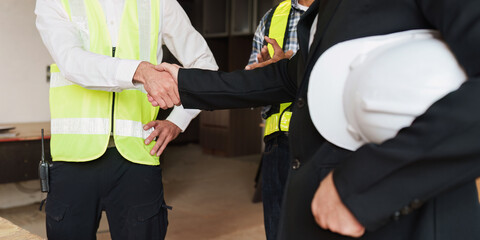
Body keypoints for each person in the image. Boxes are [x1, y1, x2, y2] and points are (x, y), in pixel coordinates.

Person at [149, 0, 480, 239]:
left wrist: (361, 188)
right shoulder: (328, 10)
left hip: (393, 216)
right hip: (318, 207)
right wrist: (185, 84)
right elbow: (288, 77)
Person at [35, 0, 217, 239]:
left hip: (137, 159)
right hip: (73, 161)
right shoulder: (56, 1)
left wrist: (179, 120)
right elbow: (71, 62)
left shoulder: (159, 4)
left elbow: (205, 66)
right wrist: (139, 70)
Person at [246, 1, 311, 239]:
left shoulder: (345, 11)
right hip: (279, 146)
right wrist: (265, 77)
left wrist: (287, 72)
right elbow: (252, 87)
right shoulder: (272, 18)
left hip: (329, 144)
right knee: (279, 232)